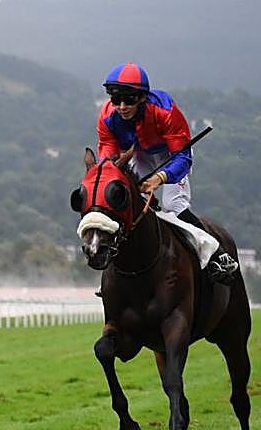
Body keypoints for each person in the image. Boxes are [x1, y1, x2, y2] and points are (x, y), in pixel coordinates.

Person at [96, 62, 238, 283]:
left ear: (142, 97)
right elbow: (108, 156)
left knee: (174, 207)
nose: (122, 106)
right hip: (140, 155)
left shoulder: (165, 110)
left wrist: (160, 177)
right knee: (133, 206)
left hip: (172, 155)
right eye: (116, 99)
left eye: (129, 100)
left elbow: (184, 158)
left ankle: (216, 255)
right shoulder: (107, 116)